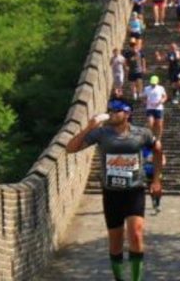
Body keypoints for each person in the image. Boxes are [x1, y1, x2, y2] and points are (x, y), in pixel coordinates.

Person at [66, 98, 163, 281]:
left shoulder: (141, 134)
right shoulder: (101, 133)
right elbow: (70, 149)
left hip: (134, 191)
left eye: (116, 110)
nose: (111, 113)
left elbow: (158, 149)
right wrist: (89, 127)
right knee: (116, 242)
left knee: (136, 234)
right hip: (111, 193)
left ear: (127, 114)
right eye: (109, 109)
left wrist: (156, 180)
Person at [142, 75, 168, 140]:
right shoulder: (146, 88)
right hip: (150, 108)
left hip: (159, 108)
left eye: (154, 83)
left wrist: (161, 101)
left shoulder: (161, 88)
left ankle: (159, 139)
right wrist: (146, 102)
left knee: (159, 125)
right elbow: (143, 97)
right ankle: (151, 137)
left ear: (157, 82)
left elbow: (165, 97)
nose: (153, 84)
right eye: (152, 83)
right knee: (150, 123)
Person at [142, 145, 163, 214]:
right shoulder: (144, 149)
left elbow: (162, 158)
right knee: (150, 188)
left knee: (158, 188)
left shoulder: (157, 148)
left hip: (157, 171)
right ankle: (154, 201)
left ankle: (158, 203)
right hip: (148, 171)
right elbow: (141, 158)